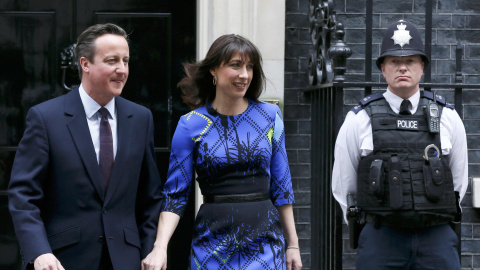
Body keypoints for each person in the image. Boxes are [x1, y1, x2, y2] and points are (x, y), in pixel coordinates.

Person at [8, 23, 163, 270]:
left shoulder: (141, 118)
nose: (122, 69)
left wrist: (149, 251)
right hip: (62, 261)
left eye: (126, 60)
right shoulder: (46, 118)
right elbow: (23, 196)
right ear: (85, 64)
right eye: (112, 60)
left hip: (126, 261)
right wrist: (39, 252)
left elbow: (151, 197)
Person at [141, 34, 302, 270]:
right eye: (235, 65)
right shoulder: (190, 124)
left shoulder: (270, 116)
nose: (244, 75)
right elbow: (175, 195)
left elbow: (282, 186)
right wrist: (159, 247)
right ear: (214, 70)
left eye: (250, 67)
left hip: (265, 244)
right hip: (212, 245)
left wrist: (293, 245)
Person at [332, 20, 468, 269]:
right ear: (383, 68)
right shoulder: (359, 118)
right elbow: (345, 186)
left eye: (410, 61)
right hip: (381, 237)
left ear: (422, 67)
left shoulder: (447, 116)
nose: (402, 68)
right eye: (394, 61)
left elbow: (459, 180)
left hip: (435, 237)